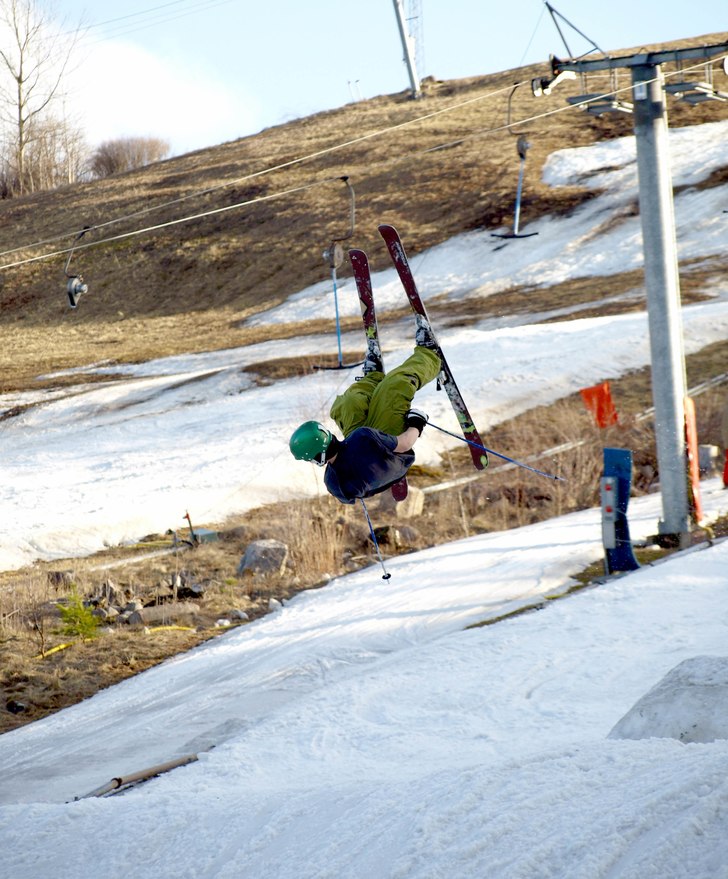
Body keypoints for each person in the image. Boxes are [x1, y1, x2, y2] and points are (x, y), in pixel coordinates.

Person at [290, 318, 441, 504]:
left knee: (346, 405)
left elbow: (351, 494)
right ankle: (430, 355)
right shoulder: (363, 438)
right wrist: (416, 424)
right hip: (393, 452)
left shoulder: (333, 483)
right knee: (393, 388)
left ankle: (373, 377)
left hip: (376, 458)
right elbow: (404, 444)